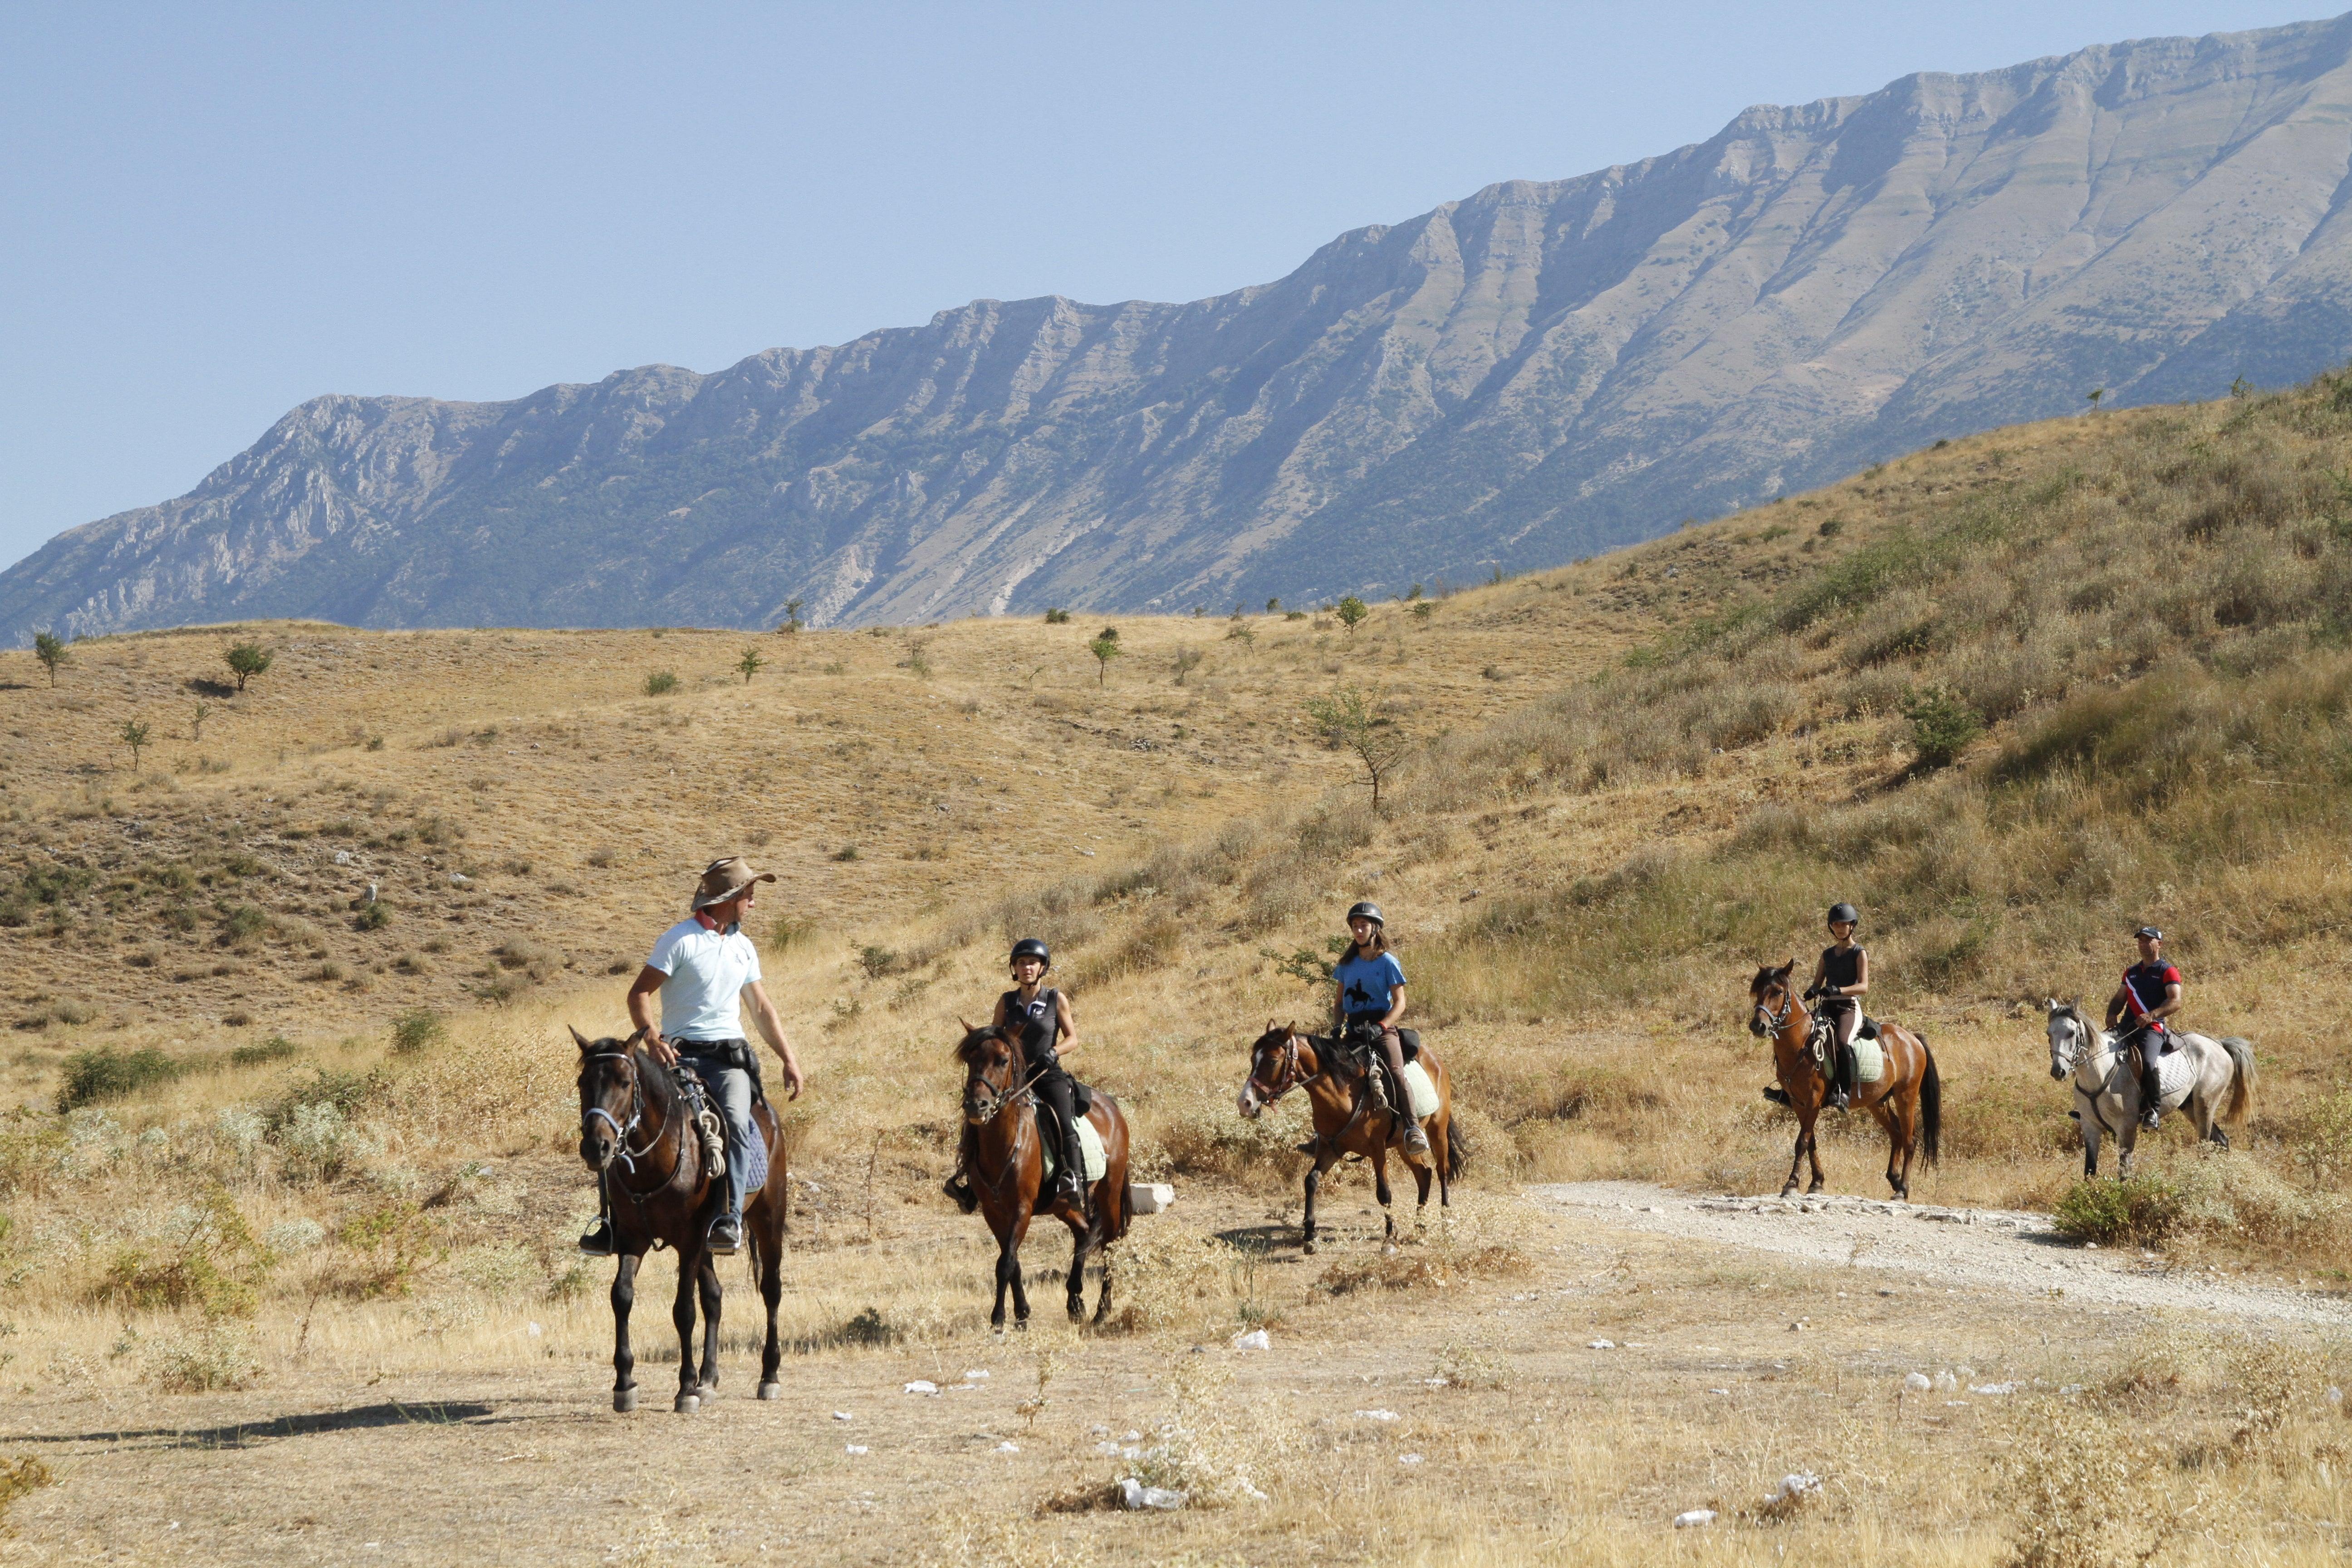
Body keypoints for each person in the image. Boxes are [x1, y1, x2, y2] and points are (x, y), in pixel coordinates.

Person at [580, 857, 806, 1257]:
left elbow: (761, 1008)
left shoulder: (743, 947)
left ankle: (728, 1219)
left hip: (728, 1062)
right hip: (676, 1058)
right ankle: (612, 1223)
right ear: (729, 898)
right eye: (749, 895)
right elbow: (639, 993)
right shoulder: (680, 940)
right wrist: (653, 1039)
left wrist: (789, 1059)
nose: (753, 903)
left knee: (735, 1120)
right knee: (627, 1120)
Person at [945, 939, 1090, 1214]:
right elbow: (995, 1038)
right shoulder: (1007, 1001)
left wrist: (1054, 1052)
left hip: (1046, 1073)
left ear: (1042, 968)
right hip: (1012, 1077)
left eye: (1033, 963)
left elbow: (1073, 1039)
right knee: (977, 1117)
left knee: (1063, 1118)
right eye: (1021, 963)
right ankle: (969, 1183)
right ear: (1014, 968)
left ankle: (1074, 1181)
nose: (1027, 968)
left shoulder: (1055, 999)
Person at [1329, 902, 1430, 1156]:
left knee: (1396, 1072)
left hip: (1381, 1029)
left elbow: (1400, 1003)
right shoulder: (1346, 964)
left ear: (1375, 928)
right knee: (1330, 1071)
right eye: (1355, 926)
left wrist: (1382, 1026)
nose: (1358, 931)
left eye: (1363, 925)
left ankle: (1413, 1129)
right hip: (1354, 1029)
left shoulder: (1388, 962)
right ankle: (1327, 1133)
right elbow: (1339, 1003)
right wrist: (1336, 1027)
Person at [2104, 925, 2181, 1131]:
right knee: (2094, 1051)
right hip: (2126, 1027)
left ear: (2159, 944)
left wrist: (2152, 1015)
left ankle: (2153, 1110)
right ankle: (2087, 1107)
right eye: (2140, 941)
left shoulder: (2167, 971)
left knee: (2148, 1062)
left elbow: (2175, 1001)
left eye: (2148, 940)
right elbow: (2120, 998)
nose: (2143, 944)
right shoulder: (2131, 973)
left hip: (2152, 1028)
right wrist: (2112, 1014)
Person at [1804, 903, 1869, 1111]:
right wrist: (1812, 991)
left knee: (1842, 1041)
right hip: (1826, 1007)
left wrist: (1838, 990)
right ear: (1831, 927)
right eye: (1836, 925)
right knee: (1803, 1038)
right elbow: (1817, 983)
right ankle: (1791, 1090)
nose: (1840, 928)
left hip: (1848, 1008)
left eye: (1844, 924)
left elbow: (1864, 987)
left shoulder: (1859, 952)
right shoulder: (1827, 955)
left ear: (1852, 926)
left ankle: (1845, 1093)